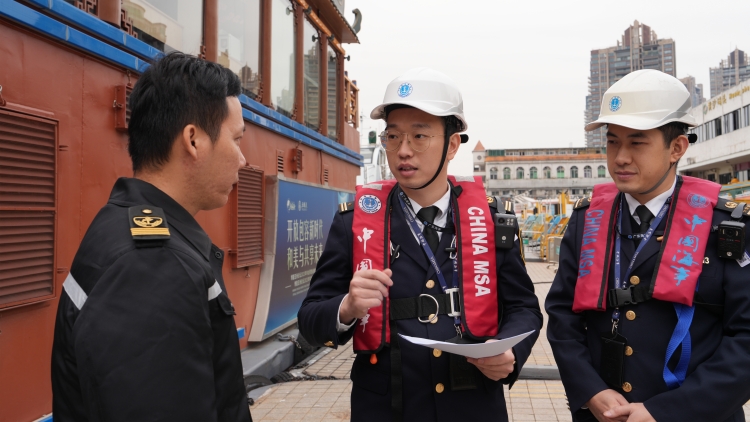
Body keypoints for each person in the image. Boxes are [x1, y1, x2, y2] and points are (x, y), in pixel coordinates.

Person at [298, 68, 542, 421]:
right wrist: (347, 307)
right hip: (387, 407)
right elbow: (310, 318)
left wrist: (511, 352)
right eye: (393, 137)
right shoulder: (355, 223)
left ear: (453, 144)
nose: (403, 151)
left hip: (473, 405)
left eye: (419, 136)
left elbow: (524, 308)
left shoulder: (490, 222)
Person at [51, 52, 252, 422]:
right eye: (237, 140)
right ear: (193, 140)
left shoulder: (128, 230)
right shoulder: (153, 267)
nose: (243, 159)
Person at [546, 69, 750, 422]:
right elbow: (563, 317)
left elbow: (745, 338)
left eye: (637, 142)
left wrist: (667, 412)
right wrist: (591, 391)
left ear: (676, 148)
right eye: (612, 142)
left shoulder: (725, 226)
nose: (621, 157)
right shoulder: (587, 220)